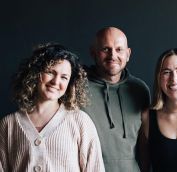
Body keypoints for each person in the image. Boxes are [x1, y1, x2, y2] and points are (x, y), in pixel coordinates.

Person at [0, 43, 105, 171]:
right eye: (50, 72)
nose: (55, 82)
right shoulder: (8, 125)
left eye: (64, 77)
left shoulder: (80, 122)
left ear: (70, 84)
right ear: (35, 73)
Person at [81, 27, 151, 171]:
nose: (112, 55)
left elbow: (145, 144)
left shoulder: (139, 89)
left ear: (128, 54)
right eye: (106, 49)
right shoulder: (76, 87)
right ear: (93, 52)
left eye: (119, 49)